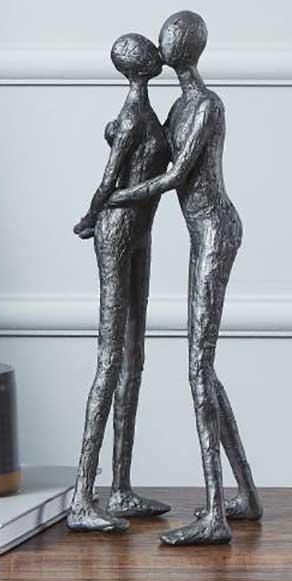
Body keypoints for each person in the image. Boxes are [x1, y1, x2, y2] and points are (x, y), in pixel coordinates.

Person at [109, 11, 261, 545]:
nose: (166, 41)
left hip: (216, 230)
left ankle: (216, 514)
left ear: (187, 47)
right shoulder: (176, 107)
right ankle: (245, 495)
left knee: (198, 370)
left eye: (172, 35)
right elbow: (152, 154)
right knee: (204, 371)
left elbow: (175, 175)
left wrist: (114, 196)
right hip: (200, 233)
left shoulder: (206, 105)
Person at [68, 33, 173, 532]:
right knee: (110, 358)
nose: (156, 53)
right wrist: (91, 217)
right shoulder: (133, 117)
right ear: (136, 65)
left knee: (135, 356)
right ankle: (82, 497)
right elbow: (109, 180)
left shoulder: (145, 115)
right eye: (146, 50)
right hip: (116, 229)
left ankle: (122, 488)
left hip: (141, 231)